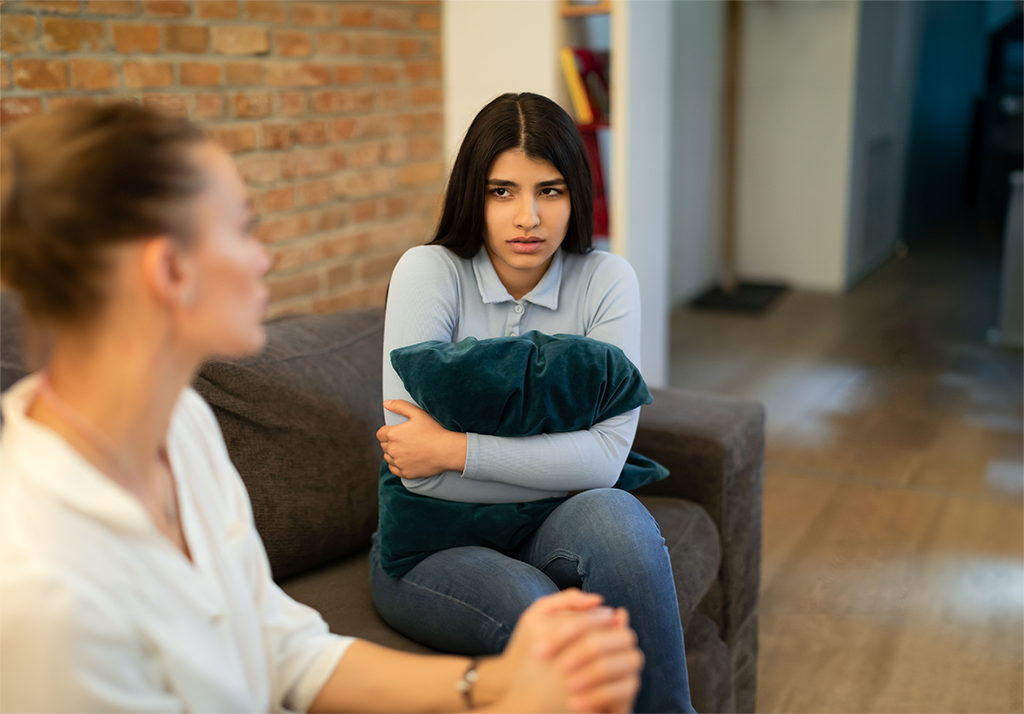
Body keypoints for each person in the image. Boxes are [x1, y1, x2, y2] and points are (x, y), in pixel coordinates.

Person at [0, 103, 644, 713]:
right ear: (170, 271)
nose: (265, 258)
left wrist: (494, 685)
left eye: (548, 191)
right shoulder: (44, 591)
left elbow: (285, 651)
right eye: (243, 228)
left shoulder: (182, 428)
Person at [374, 92, 696, 713]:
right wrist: (554, 464)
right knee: (542, 612)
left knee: (616, 515)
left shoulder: (606, 281)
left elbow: (604, 465)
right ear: (474, 194)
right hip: (431, 549)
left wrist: (454, 449)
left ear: (576, 194)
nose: (528, 217)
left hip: (556, 527)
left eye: (549, 191)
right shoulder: (428, 272)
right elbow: (418, 481)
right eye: (503, 192)